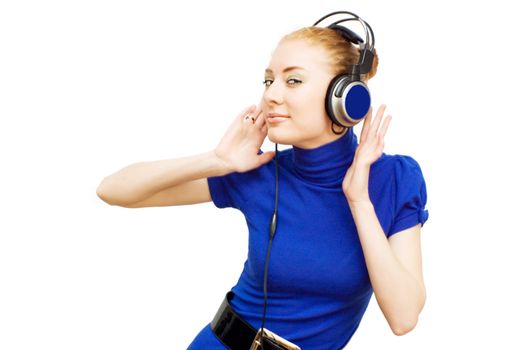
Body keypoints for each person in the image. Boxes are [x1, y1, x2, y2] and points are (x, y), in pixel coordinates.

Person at [96, 15, 429, 350]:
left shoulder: (396, 179)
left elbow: (403, 318)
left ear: (346, 97)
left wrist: (359, 201)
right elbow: (113, 190)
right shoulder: (259, 170)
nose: (271, 95)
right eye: (268, 80)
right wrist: (217, 160)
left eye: (294, 81)